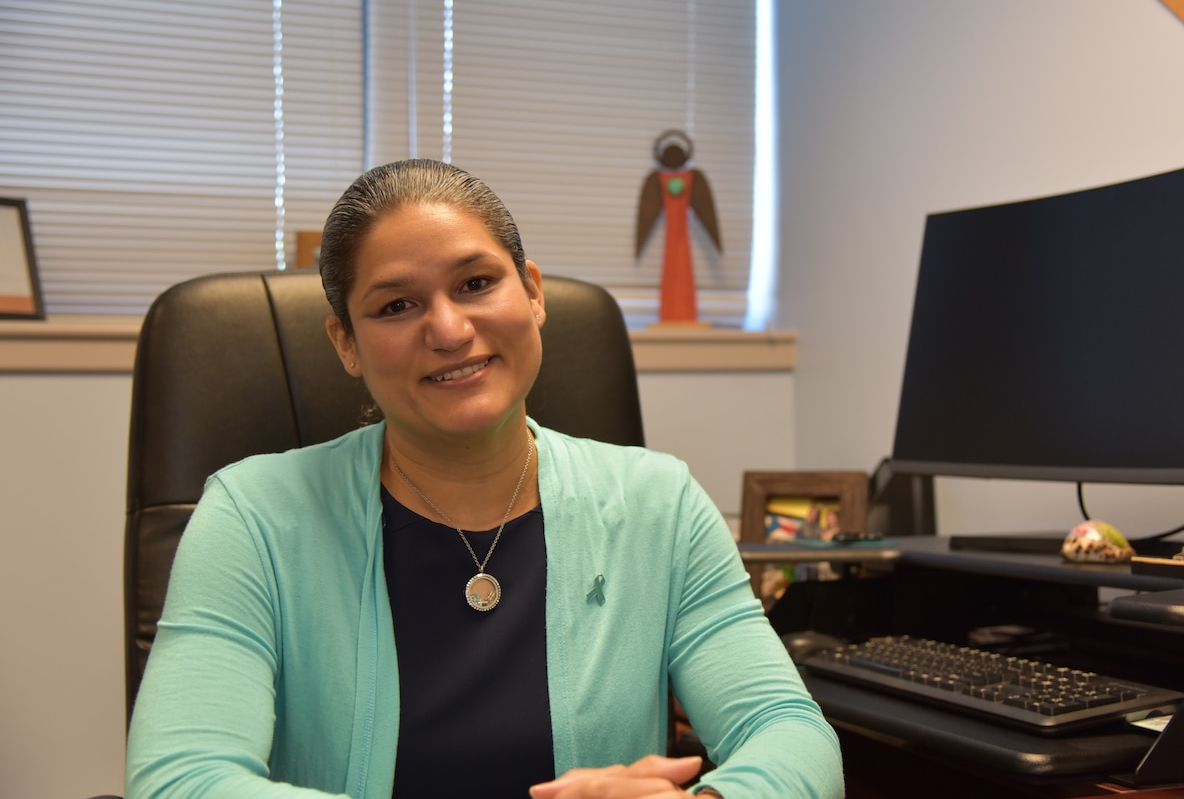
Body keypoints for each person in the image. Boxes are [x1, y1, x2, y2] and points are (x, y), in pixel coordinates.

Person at [124, 158, 844, 798]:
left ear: (531, 293)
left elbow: (790, 734)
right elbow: (182, 777)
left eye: (476, 283)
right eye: (395, 305)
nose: (447, 329)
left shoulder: (660, 503)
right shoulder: (253, 516)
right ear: (345, 341)